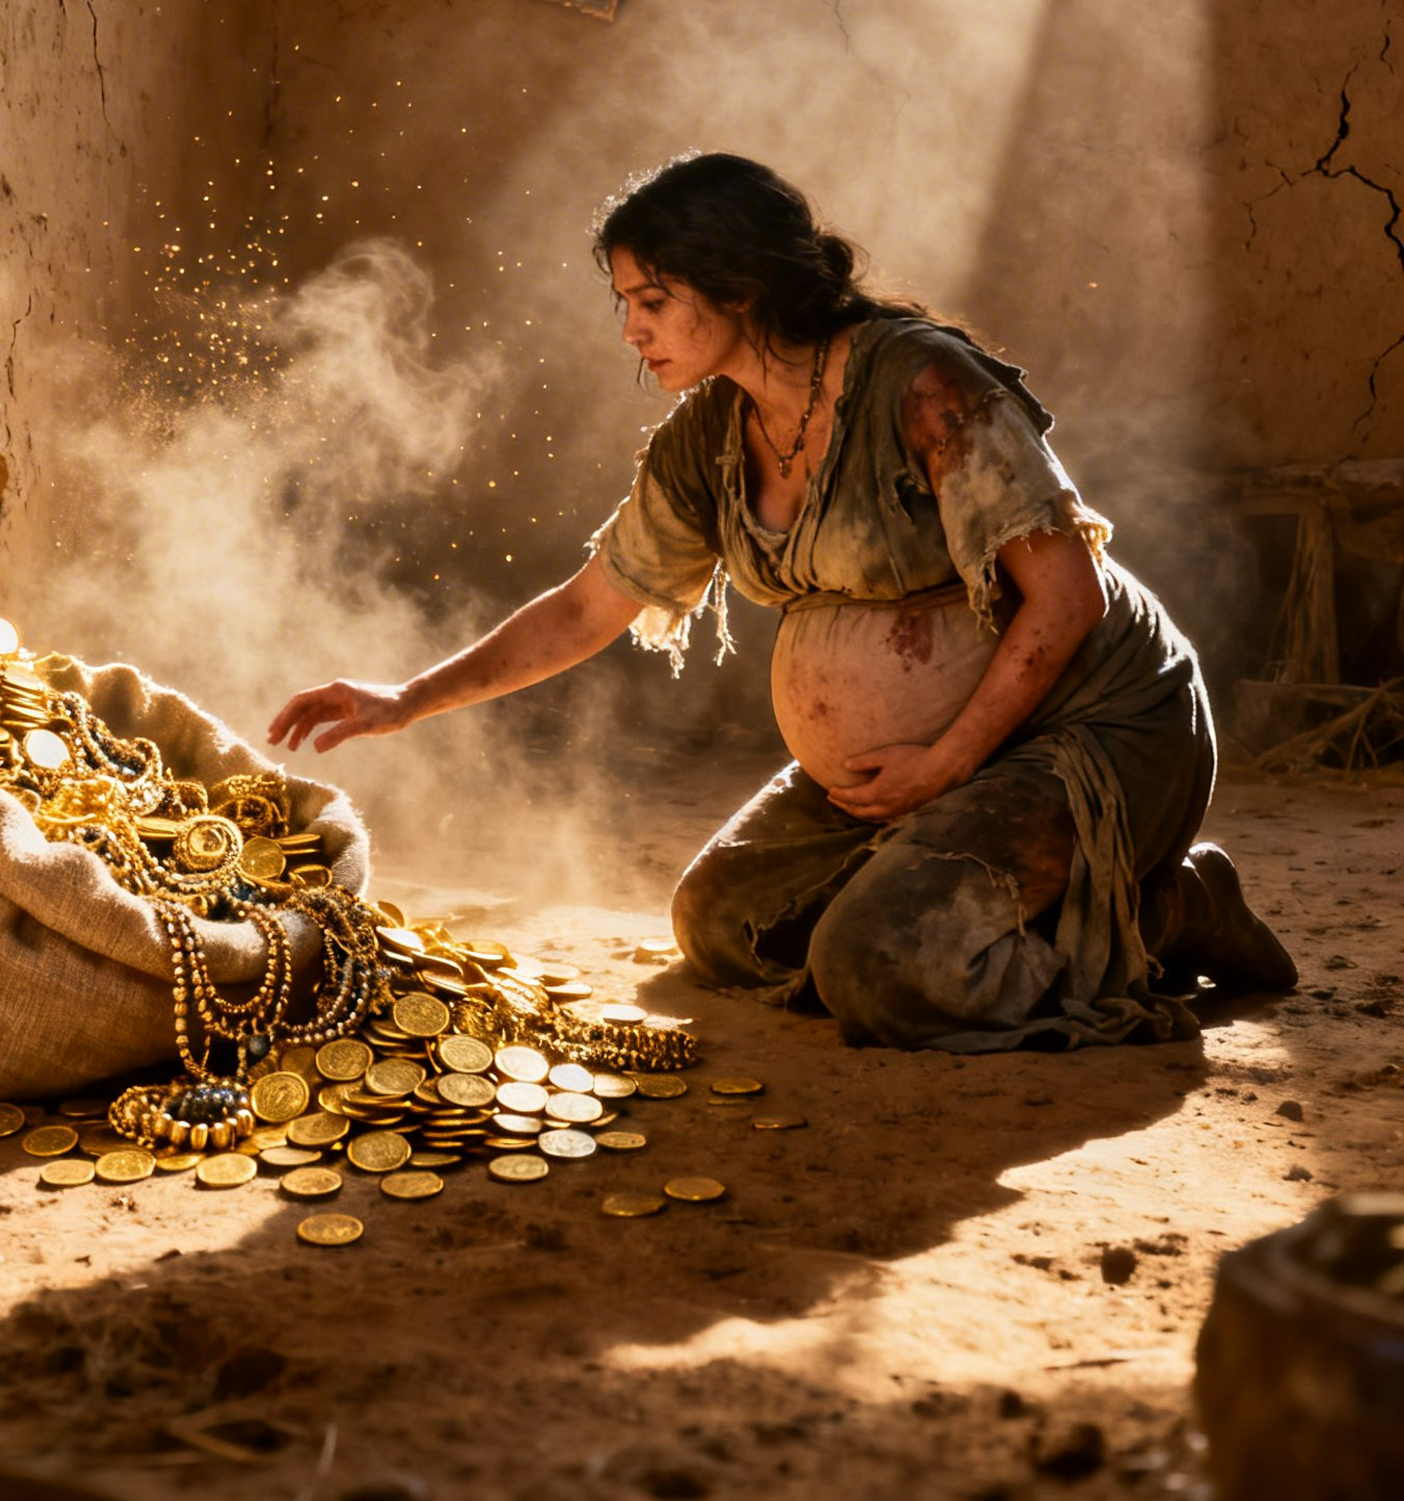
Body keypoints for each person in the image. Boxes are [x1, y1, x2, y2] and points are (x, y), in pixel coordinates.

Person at [268, 154, 1296, 1051]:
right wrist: (406, 698)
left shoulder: (923, 386)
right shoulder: (703, 438)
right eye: (624, 302)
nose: (630, 330)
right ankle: (1023, 898)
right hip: (919, 767)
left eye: (653, 300)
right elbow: (588, 609)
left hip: (1091, 732)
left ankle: (1168, 910)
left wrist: (944, 762)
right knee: (720, 922)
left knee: (882, 969)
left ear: (741, 287)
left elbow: (1065, 600)